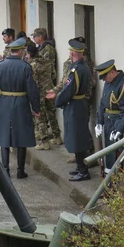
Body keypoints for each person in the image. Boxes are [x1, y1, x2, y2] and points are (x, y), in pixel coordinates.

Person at [0, 37, 40, 178]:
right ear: (21, 51)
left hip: (4, 102)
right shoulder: (25, 67)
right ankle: (20, 170)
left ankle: (5, 169)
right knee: (21, 137)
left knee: (4, 136)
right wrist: (36, 108)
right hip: (21, 103)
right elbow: (32, 90)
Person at [46, 37, 93, 181]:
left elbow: (69, 89)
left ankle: (83, 171)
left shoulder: (77, 70)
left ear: (72, 54)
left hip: (75, 106)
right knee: (76, 137)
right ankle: (80, 167)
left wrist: (58, 100)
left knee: (77, 138)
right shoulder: (82, 67)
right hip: (79, 105)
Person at [94, 59, 124, 173]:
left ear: (113, 72)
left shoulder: (123, 84)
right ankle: (109, 183)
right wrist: (99, 122)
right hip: (107, 122)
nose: (104, 80)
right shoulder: (108, 83)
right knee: (108, 154)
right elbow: (102, 104)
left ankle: (116, 183)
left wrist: (118, 128)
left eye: (105, 76)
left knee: (117, 156)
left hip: (116, 122)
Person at [31, 28, 62, 145]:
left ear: (40, 37)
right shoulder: (41, 48)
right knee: (49, 112)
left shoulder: (48, 50)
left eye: (35, 36)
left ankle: (48, 138)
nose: (34, 38)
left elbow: (48, 69)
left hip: (45, 87)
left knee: (44, 113)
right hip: (48, 86)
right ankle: (54, 135)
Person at [27, 45, 54, 150]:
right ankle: (57, 136)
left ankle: (44, 141)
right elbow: (53, 75)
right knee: (52, 114)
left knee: (40, 117)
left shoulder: (33, 65)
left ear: (29, 54)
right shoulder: (47, 62)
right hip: (50, 91)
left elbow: (33, 82)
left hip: (39, 93)